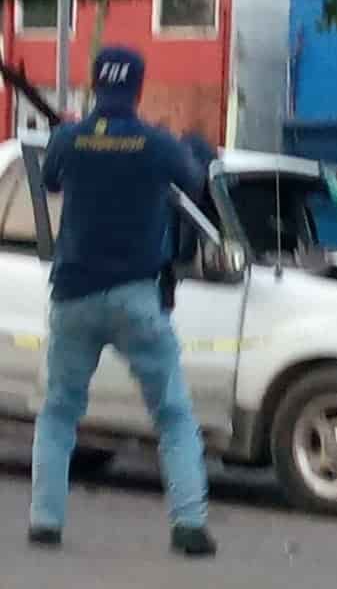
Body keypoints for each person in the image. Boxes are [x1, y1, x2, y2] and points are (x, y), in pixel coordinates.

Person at [29, 46, 217, 556]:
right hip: (136, 296)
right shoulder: (156, 144)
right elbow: (196, 181)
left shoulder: (70, 138)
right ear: (137, 88)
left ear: (94, 85)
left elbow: (48, 178)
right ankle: (188, 525)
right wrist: (195, 149)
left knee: (59, 412)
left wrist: (73, 137)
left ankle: (46, 521)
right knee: (173, 414)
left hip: (73, 295)